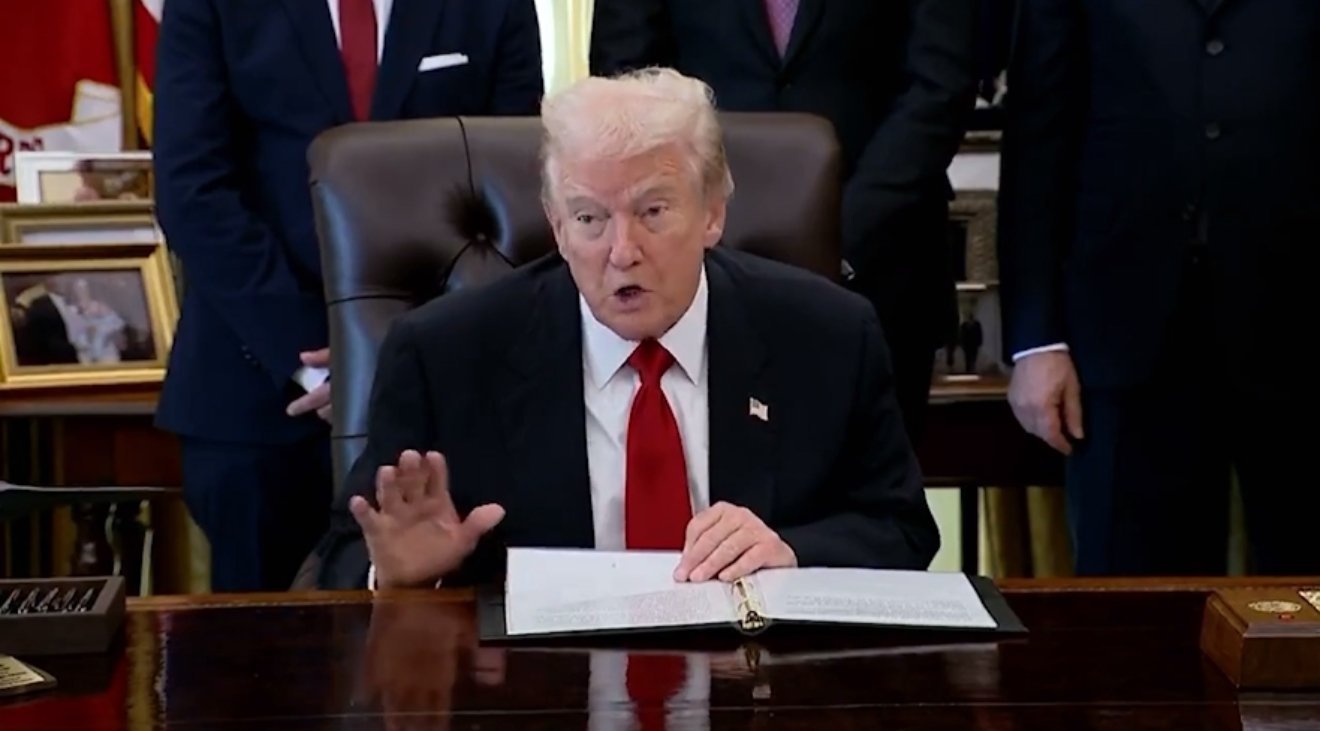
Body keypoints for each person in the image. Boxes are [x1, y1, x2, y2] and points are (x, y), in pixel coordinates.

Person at [313, 68, 939, 590]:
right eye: (589, 218)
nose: (622, 250)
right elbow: (342, 555)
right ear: (555, 225)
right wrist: (393, 576)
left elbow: (903, 531)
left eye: (653, 211)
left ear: (713, 211)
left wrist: (790, 552)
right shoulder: (445, 353)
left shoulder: (827, 335)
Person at [152, 0, 544, 592]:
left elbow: (514, 196)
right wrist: (323, 355)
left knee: (442, 655)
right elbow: (193, 190)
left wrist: (396, 357)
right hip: (258, 392)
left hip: (444, 396)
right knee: (253, 663)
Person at [998, 0, 1320, 576]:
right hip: (1123, 329)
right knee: (1134, 613)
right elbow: (1038, 141)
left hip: (1297, 326)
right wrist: (1037, 340)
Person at [588, 0, 977, 441]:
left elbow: (940, 84)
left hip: (880, 267)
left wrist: (836, 236)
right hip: (698, 272)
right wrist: (706, 223)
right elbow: (627, 82)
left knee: (870, 494)